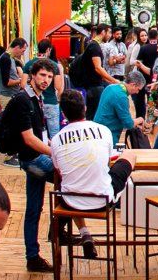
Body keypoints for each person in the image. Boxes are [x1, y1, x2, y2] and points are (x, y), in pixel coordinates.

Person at [0, 64, 54, 273]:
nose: (46, 79)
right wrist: (55, 153)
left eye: (49, 76)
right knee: (71, 178)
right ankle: (60, 228)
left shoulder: (36, 97)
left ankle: (33, 257)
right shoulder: (22, 100)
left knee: (34, 209)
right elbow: (28, 138)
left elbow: (38, 133)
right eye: (42, 75)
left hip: (34, 158)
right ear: (32, 77)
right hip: (33, 161)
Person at [52, 88, 135, 217]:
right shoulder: (104, 130)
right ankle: (121, 198)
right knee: (129, 154)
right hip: (102, 200)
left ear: (63, 114)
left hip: (69, 200)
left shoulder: (56, 139)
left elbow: (60, 172)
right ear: (84, 108)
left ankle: (82, 232)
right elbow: (107, 163)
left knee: (72, 179)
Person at [90, 65, 141, 144]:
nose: (137, 92)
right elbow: (128, 124)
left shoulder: (110, 87)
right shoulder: (121, 97)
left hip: (96, 130)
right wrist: (140, 120)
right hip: (108, 135)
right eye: (138, 89)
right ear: (133, 85)